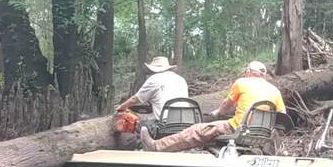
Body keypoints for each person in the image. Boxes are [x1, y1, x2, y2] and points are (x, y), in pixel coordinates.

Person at [140, 61, 286, 152]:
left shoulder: (242, 82)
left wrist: (218, 114)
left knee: (196, 130)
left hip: (236, 128)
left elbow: (226, 106)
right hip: (261, 133)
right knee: (209, 132)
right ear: (264, 75)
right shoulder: (274, 90)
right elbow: (282, 117)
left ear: (248, 72)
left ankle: (155, 146)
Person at [117, 56, 188, 121]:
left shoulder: (154, 79)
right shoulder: (181, 79)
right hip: (184, 119)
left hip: (164, 121)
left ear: (153, 69)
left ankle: (141, 134)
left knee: (134, 118)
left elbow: (134, 100)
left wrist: (121, 107)